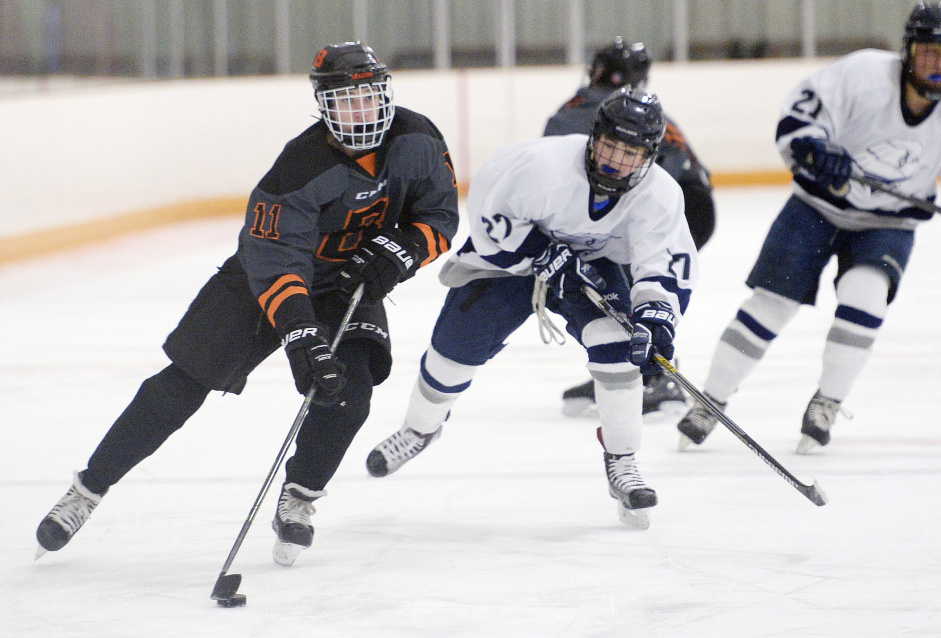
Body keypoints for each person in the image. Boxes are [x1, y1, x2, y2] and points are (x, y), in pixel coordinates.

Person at [34, 42, 460, 566]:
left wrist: (402, 250)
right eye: (345, 102)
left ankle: (300, 498)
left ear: (385, 94)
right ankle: (87, 489)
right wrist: (301, 334)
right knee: (179, 387)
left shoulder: (418, 137)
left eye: (369, 98)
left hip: (348, 284)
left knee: (349, 392)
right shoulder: (298, 170)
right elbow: (278, 262)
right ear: (323, 106)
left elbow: (440, 214)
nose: (360, 112)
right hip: (264, 281)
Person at [364, 87, 699, 529]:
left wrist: (657, 319)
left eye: (631, 152)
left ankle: (622, 460)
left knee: (617, 343)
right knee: (453, 349)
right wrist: (540, 252)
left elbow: (664, 264)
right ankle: (419, 428)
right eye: (610, 145)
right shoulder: (542, 169)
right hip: (512, 263)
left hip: (590, 268)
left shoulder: (660, 195)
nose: (616, 160)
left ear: (650, 155)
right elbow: (488, 221)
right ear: (594, 137)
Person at [675, 1, 941, 454]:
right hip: (815, 209)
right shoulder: (863, 73)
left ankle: (826, 402)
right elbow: (798, 122)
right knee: (771, 305)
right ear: (908, 51)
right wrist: (814, 148)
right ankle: (710, 400)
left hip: (888, 224)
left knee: (864, 300)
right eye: (930, 52)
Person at [545, 37, 716, 418]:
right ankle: (624, 364)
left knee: (629, 286)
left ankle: (655, 375)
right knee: (631, 286)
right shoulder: (645, 110)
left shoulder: (586, 108)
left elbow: (557, 176)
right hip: (694, 205)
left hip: (667, 209)